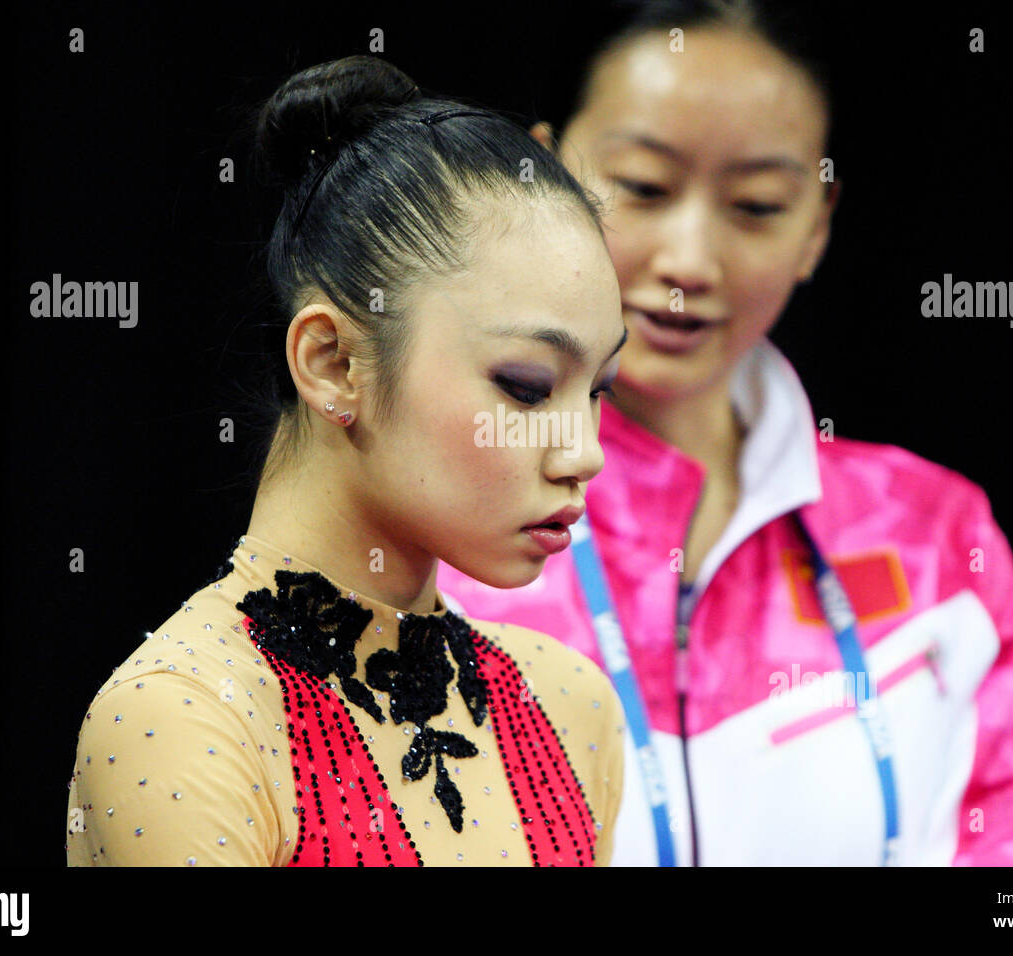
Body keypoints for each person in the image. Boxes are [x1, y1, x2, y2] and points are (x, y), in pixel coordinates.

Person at [437, 0, 1013, 865]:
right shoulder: (429, 530)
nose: (692, 262)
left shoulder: (937, 540)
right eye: (644, 187)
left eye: (758, 205)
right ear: (539, 177)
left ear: (819, 222)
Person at [65, 54, 629, 866]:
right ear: (333, 363)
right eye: (527, 387)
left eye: (599, 389)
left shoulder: (571, 707)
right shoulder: (187, 719)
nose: (587, 454)